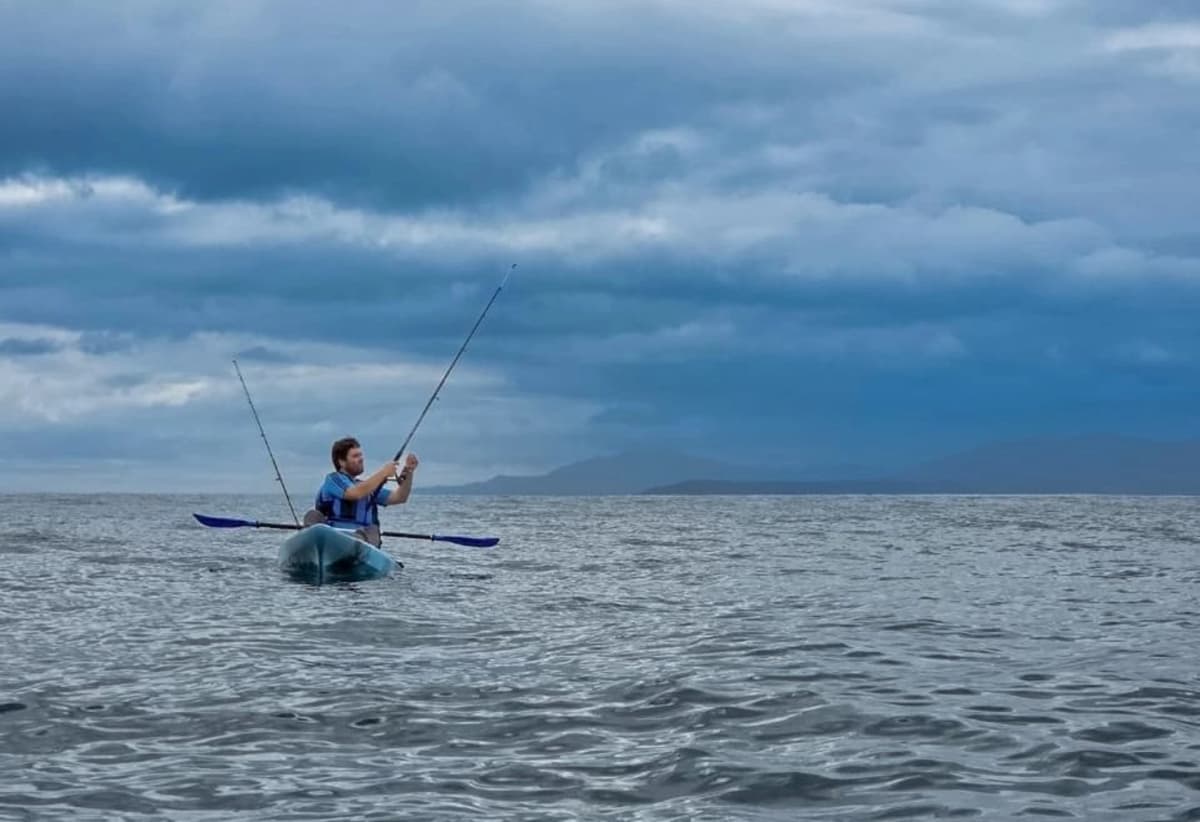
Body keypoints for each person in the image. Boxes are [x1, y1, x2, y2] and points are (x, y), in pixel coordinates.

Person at [302, 436, 419, 547]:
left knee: (372, 529)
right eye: (355, 456)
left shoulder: (367, 486)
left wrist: (409, 472)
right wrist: (384, 472)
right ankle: (311, 545)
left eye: (361, 455)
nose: (361, 459)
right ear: (341, 462)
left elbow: (399, 497)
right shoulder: (333, 479)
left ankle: (357, 546)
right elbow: (354, 494)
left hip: (362, 540)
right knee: (313, 515)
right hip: (332, 537)